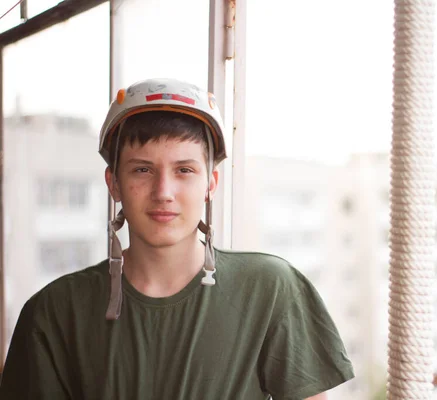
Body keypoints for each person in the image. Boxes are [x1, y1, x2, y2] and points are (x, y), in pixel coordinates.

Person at [0, 78, 354, 399]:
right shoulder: (53, 314)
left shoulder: (269, 289)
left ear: (210, 184)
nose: (163, 191)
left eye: (184, 170)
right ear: (114, 183)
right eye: (142, 169)